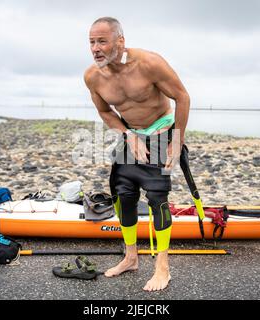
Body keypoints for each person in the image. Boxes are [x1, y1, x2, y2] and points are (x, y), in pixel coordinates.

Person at [84, 17, 190, 291]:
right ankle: (131, 257)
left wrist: (177, 139)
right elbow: (106, 111)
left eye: (102, 41)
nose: (95, 48)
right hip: (130, 134)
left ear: (120, 41)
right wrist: (127, 134)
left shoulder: (149, 63)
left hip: (161, 131)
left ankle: (162, 268)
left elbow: (182, 97)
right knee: (122, 194)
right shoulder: (93, 76)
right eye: (91, 42)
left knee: (157, 196)